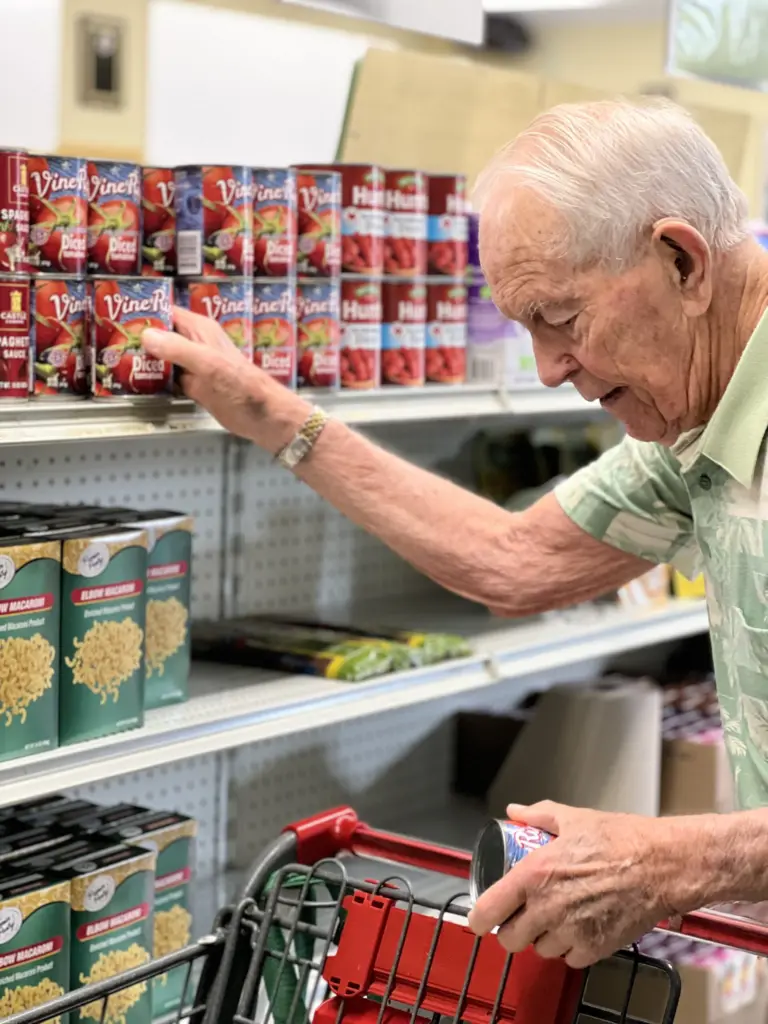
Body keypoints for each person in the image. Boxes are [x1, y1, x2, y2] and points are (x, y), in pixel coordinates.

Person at [143, 98, 768, 969]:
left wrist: (671, 860)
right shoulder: (695, 415)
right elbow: (513, 561)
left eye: (562, 317)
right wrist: (270, 413)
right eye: (526, 330)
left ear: (682, 262)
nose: (550, 370)